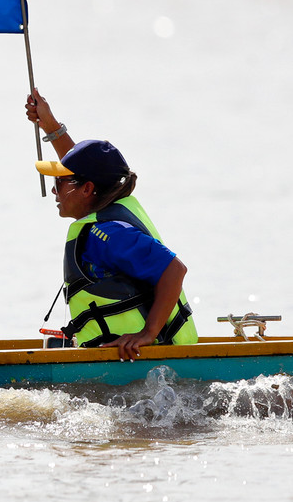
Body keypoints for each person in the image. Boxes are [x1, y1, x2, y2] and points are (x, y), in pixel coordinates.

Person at [26, 91, 196, 360]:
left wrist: (148, 333)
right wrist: (51, 126)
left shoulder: (108, 233)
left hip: (156, 358)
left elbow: (175, 269)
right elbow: (80, 166)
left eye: (60, 182)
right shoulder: (108, 203)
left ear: (87, 189)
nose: (54, 190)